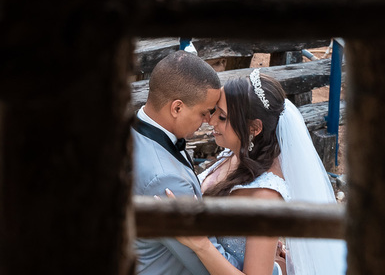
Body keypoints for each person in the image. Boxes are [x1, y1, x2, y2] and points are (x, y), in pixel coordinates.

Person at [179, 70, 347, 275]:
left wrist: (200, 244)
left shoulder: (266, 196)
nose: (211, 120)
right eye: (214, 111)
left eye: (222, 117)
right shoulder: (236, 154)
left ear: (254, 128)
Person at [132, 51, 234, 275]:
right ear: (177, 108)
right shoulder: (165, 180)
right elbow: (205, 267)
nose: (209, 120)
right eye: (204, 113)